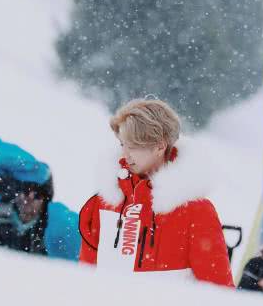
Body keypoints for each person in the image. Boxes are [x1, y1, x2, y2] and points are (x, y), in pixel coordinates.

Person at [79, 98, 234, 287]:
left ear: (160, 146)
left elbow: (219, 291)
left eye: (133, 146)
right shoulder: (104, 203)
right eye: (122, 145)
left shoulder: (196, 211)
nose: (125, 154)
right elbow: (85, 282)